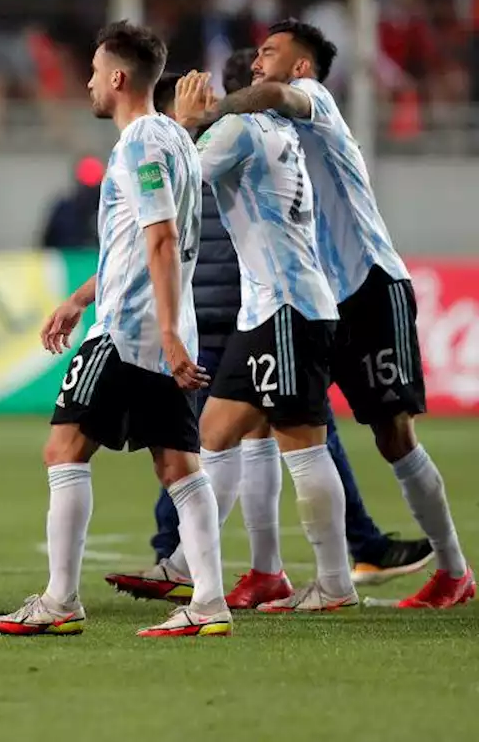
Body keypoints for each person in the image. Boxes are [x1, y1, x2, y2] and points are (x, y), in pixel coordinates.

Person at [112, 56, 432, 609]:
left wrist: (184, 123)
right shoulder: (277, 130)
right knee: (222, 434)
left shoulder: (239, 130)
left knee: (293, 441)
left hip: (286, 307)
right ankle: (218, 567)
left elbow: (177, 176)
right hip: (272, 310)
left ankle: (328, 581)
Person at [182, 19, 473, 609]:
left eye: (271, 52)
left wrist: (209, 113)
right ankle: (273, 570)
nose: (258, 61)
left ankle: (452, 568)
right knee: (270, 421)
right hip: (314, 298)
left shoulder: (311, 100)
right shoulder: (266, 134)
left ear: (302, 67)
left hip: (368, 287)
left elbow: (268, 94)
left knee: (393, 436)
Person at [0, 21, 230, 639]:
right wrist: (76, 297)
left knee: (64, 449)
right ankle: (209, 603)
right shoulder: (174, 138)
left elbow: (162, 238)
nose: (88, 82)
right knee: (179, 464)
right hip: (159, 326)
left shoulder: (141, 144)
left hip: (129, 332)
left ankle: (61, 600)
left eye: (95, 72)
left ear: (118, 78)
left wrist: (165, 331)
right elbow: (133, 243)